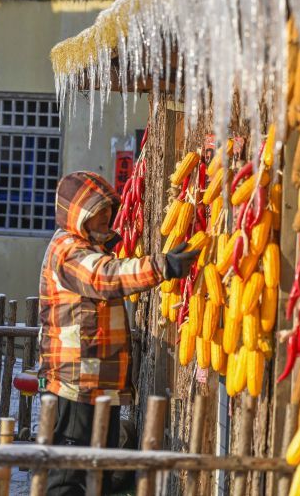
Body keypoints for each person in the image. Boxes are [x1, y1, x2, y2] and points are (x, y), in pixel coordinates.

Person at [38, 171, 199, 496]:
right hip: (77, 384)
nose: (107, 217)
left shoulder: (87, 247)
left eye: (109, 210)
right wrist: (162, 266)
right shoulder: (69, 252)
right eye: (98, 211)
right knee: (70, 474)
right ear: (79, 213)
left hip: (103, 383)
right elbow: (104, 277)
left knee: (102, 465)